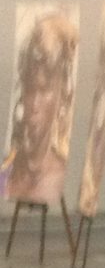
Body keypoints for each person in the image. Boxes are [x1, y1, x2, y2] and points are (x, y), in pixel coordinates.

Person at [2, 13, 78, 205]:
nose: (34, 104)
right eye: (30, 88)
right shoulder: (7, 172)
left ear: (62, 96)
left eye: (44, 90)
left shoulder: (60, 174)